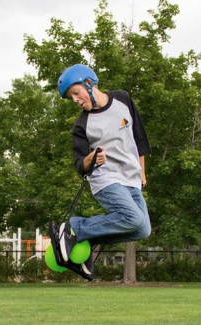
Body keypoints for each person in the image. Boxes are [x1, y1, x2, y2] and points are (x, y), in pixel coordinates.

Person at [52, 63, 151, 280]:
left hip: (132, 178)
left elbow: (139, 137)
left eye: (76, 93)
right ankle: (74, 227)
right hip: (105, 180)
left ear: (89, 83)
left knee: (142, 230)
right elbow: (80, 165)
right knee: (133, 218)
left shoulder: (122, 99)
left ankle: (87, 238)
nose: (76, 100)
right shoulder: (81, 126)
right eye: (72, 97)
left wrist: (142, 173)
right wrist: (91, 157)